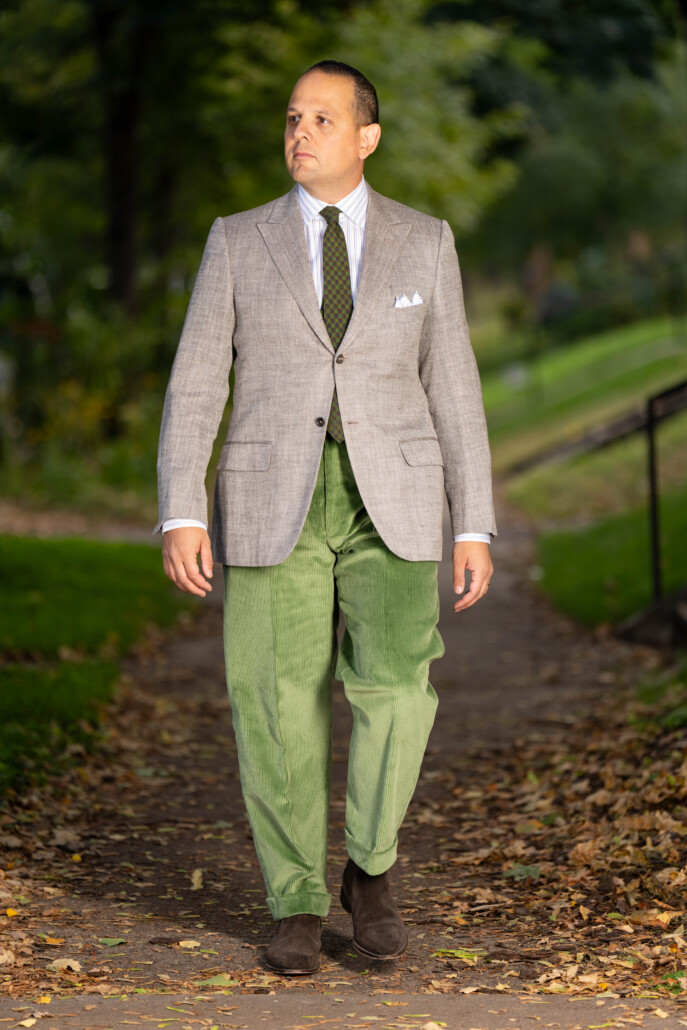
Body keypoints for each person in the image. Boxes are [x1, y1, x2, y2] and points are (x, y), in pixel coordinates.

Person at [155, 60, 496, 976]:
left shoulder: (425, 242)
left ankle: (370, 869)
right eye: (292, 117)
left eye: (321, 118)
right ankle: (296, 899)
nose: (299, 133)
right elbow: (197, 381)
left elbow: (452, 385)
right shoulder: (237, 240)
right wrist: (181, 508)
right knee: (272, 701)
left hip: (397, 498)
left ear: (365, 137)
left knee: (396, 692)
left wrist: (475, 522)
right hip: (272, 496)